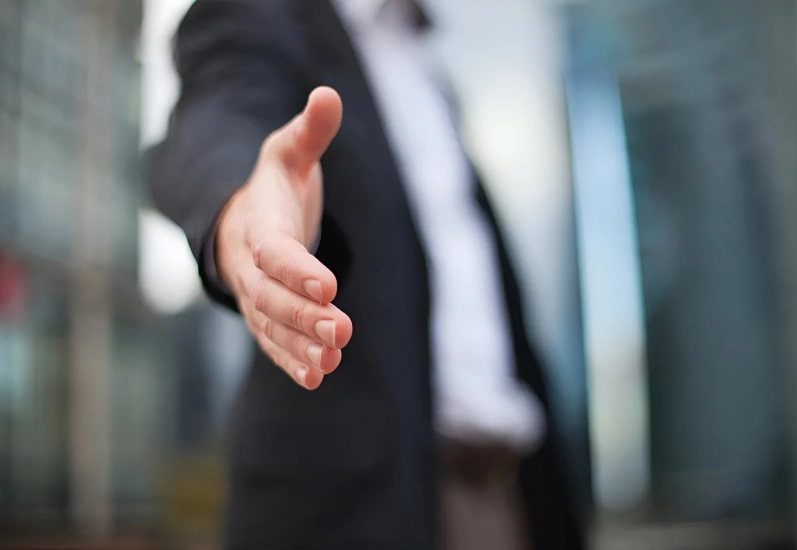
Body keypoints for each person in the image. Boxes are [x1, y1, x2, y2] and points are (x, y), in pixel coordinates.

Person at [149, 0, 583, 548]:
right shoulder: (260, 14)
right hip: (356, 513)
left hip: (509, 495)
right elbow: (217, 117)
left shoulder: (429, 71)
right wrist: (243, 208)